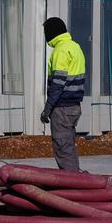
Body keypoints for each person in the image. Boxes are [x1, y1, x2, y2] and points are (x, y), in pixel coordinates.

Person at [40, 16, 87, 171]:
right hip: (74, 107)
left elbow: (58, 83)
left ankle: (73, 185)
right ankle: (75, 181)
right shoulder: (75, 47)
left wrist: (48, 108)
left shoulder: (61, 51)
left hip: (62, 108)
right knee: (68, 146)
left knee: (63, 148)